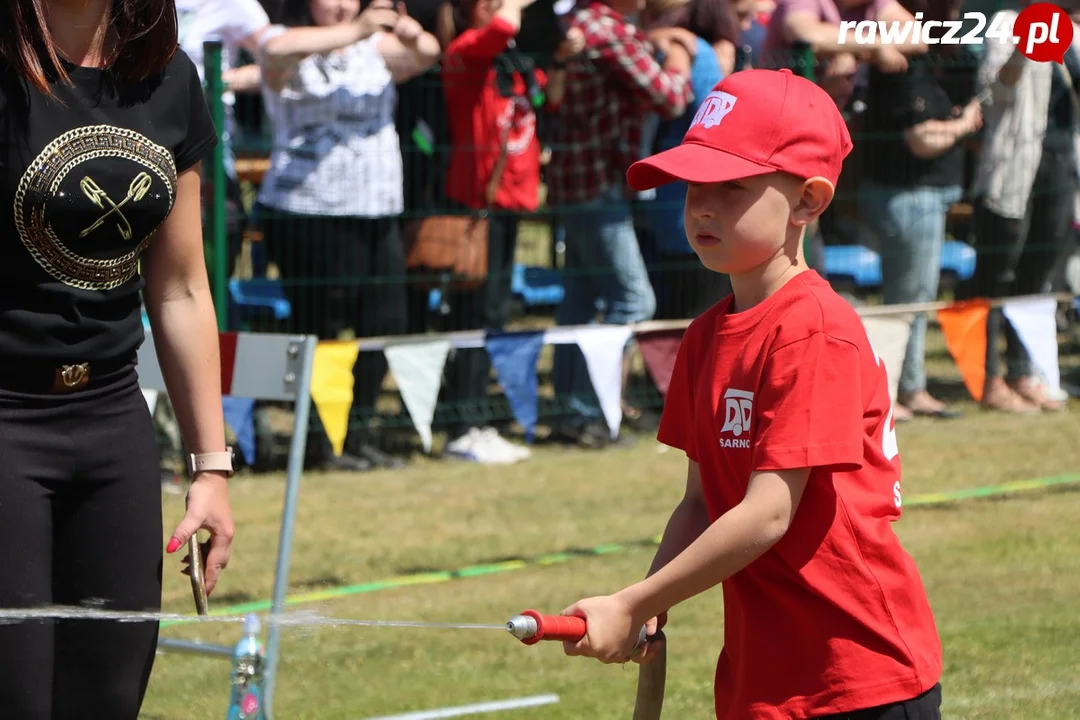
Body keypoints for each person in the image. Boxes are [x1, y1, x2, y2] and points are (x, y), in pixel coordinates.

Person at [558, 69, 943, 719]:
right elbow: (701, 502)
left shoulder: (813, 330)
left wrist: (629, 602)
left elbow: (768, 512)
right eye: (693, 188)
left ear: (808, 201)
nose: (702, 206)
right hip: (762, 682)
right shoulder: (706, 337)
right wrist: (651, 603)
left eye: (731, 187)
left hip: (856, 677)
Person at [0, 0, 235, 717]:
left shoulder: (167, 80)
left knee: (108, 696)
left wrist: (212, 467)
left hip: (111, 419)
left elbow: (183, 288)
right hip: (6, 422)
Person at [256, 0, 441, 470]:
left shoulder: (374, 49)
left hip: (377, 209)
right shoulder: (284, 39)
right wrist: (357, 30)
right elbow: (276, 50)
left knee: (385, 324)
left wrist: (410, 30)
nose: (340, 5)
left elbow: (427, 55)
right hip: (308, 210)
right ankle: (317, 441)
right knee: (321, 326)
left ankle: (360, 433)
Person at [858, 0, 978, 421]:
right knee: (906, 301)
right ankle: (896, 391)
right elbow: (921, 140)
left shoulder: (925, 67)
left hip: (923, 196)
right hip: (909, 196)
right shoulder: (903, 71)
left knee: (917, 298)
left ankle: (909, 387)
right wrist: (965, 125)